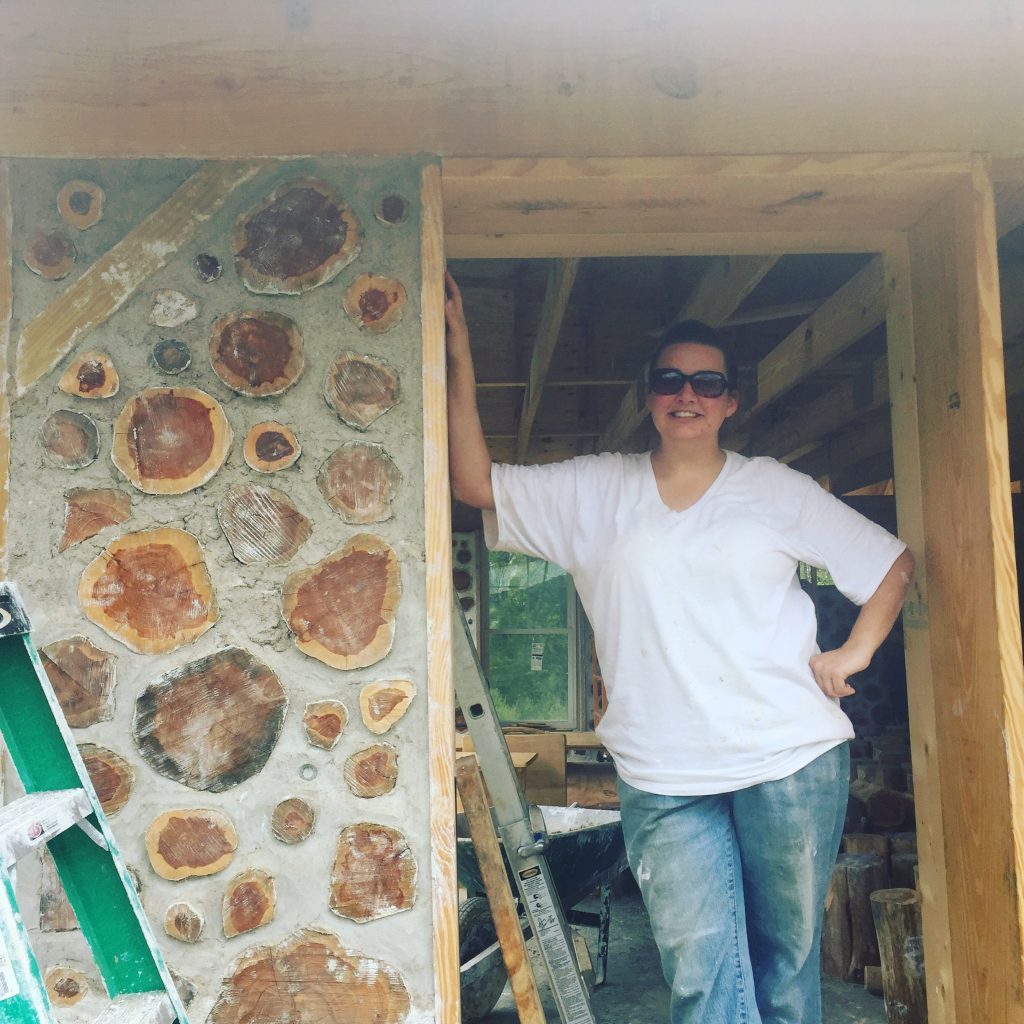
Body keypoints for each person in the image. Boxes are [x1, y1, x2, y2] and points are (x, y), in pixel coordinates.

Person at [444, 270, 914, 1024]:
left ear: (730, 400)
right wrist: (460, 350)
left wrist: (853, 653)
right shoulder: (596, 490)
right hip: (663, 774)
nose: (686, 393)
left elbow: (890, 563)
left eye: (706, 381)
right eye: (670, 379)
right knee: (702, 982)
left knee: (785, 978)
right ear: (649, 393)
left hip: (788, 759)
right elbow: (475, 483)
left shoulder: (773, 490)